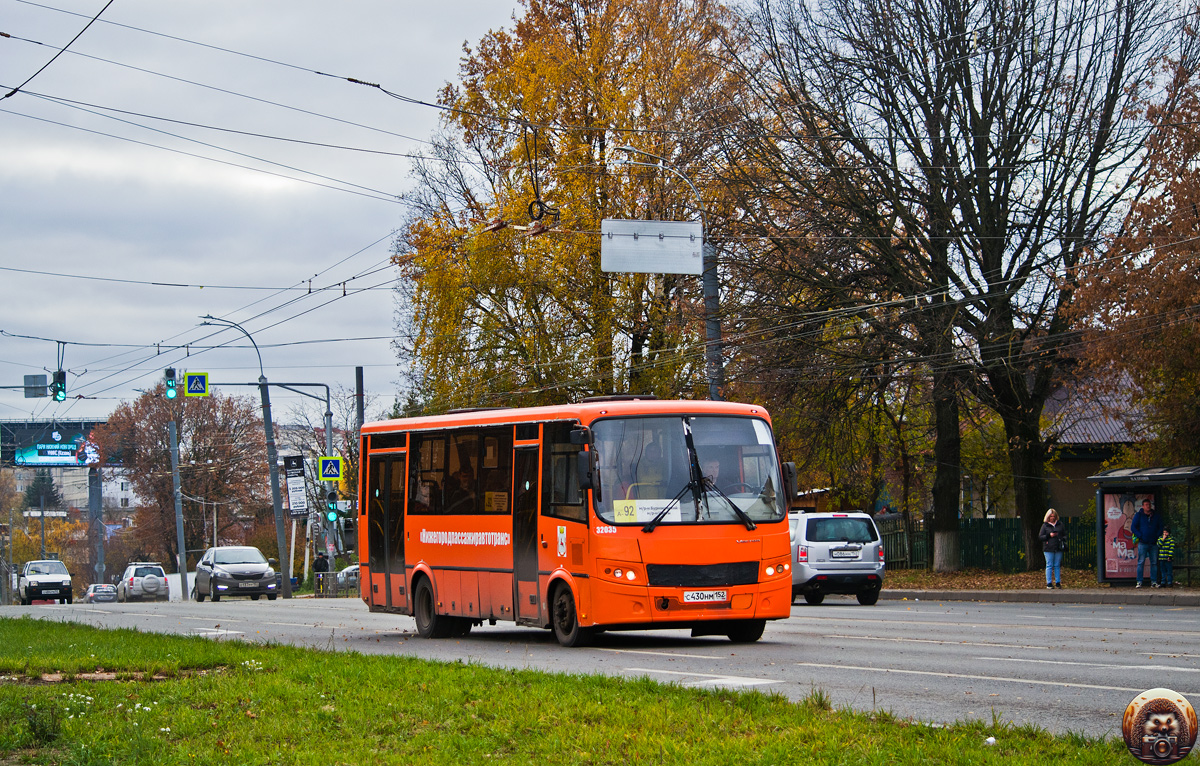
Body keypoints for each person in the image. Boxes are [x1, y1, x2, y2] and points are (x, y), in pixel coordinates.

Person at [1131, 498, 1164, 588]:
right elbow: (1133, 527)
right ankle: (1139, 581)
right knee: (1141, 562)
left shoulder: (1155, 515)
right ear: (1143, 506)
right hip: (1143, 542)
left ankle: (1153, 581)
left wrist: (1157, 536)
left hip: (1153, 543)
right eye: (1146, 505)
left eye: (1149, 505)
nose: (1148, 506)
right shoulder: (1139, 515)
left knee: (1153, 563)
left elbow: (1160, 526)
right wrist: (1140, 535)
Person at [1039, 508, 1065, 589]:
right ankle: (1049, 583)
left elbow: (1065, 534)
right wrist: (1049, 536)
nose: (1052, 518)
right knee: (1049, 565)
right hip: (1048, 548)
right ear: (1048, 517)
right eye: (1051, 516)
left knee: (1057, 565)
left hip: (1058, 547)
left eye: (1054, 516)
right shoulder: (1045, 526)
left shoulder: (1060, 524)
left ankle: (1058, 582)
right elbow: (1040, 536)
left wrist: (1061, 538)